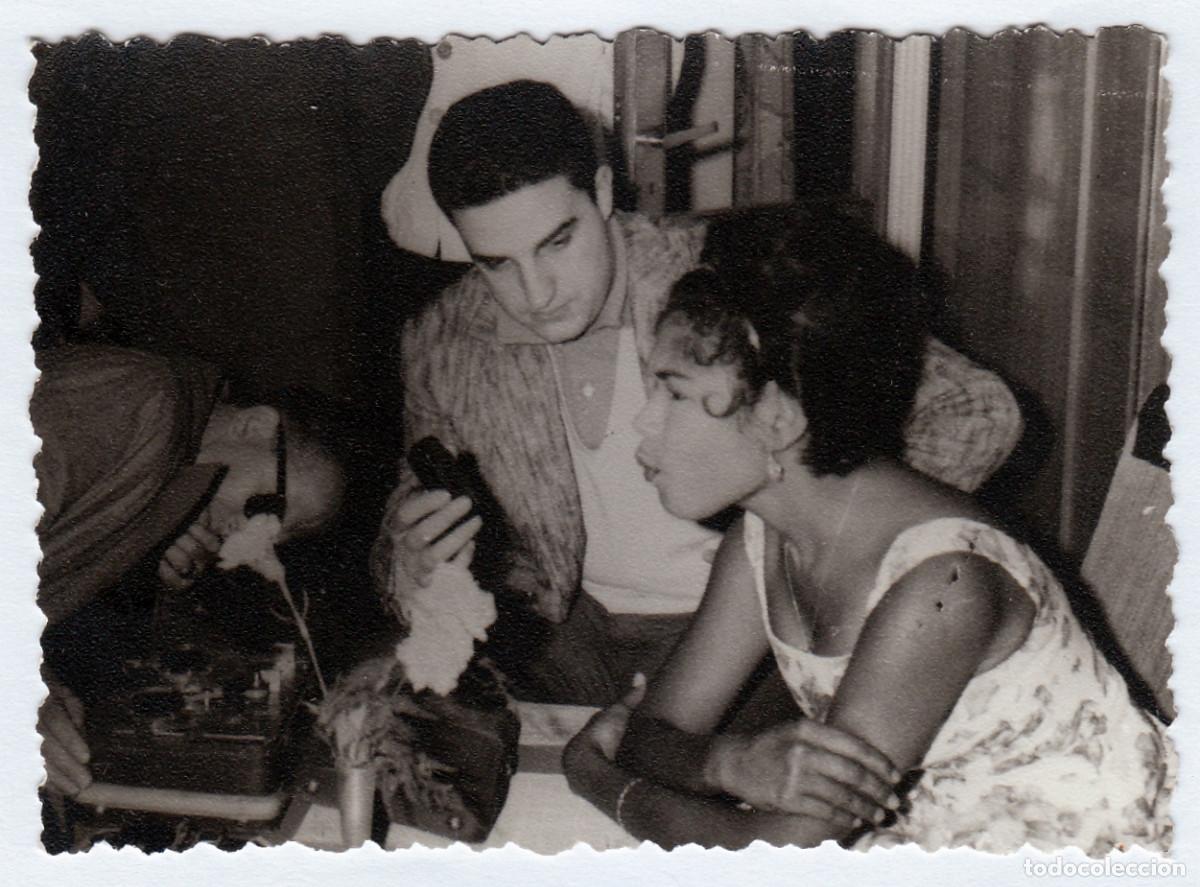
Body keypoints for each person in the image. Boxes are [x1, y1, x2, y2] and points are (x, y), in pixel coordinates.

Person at [372, 79, 1024, 708]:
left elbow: (976, 412)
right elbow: (411, 523)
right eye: (497, 263)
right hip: (554, 641)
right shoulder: (443, 338)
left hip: (744, 637)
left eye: (557, 242)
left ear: (601, 190)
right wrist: (409, 566)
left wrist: (820, 537)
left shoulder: (723, 279)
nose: (536, 293)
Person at [562, 205, 1176, 854]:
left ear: (777, 417)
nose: (644, 421)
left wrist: (599, 781)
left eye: (675, 393)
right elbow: (654, 730)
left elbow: (779, 854)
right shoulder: (762, 539)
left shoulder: (943, 585)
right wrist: (725, 761)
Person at [35, 343, 346, 800]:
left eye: (279, 538)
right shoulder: (140, 397)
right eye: (268, 507)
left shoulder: (169, 474)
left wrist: (139, 553)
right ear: (255, 424)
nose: (258, 537)